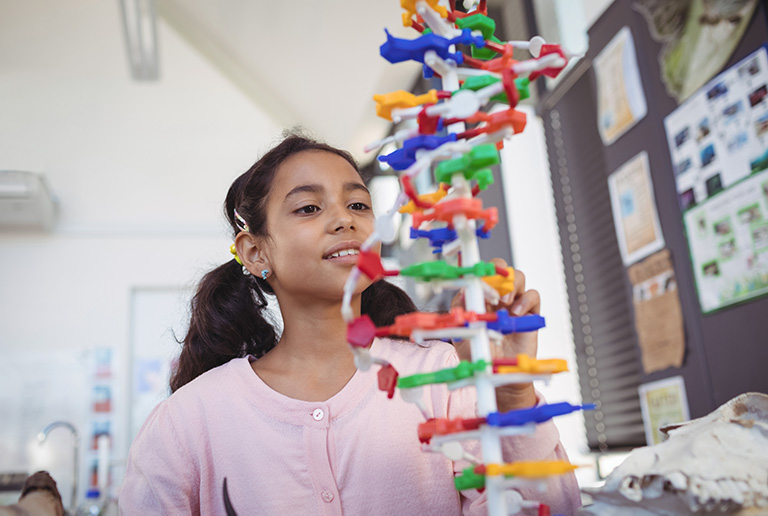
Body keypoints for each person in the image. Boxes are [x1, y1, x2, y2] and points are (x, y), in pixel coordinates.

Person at [119, 132, 582, 515]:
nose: (344, 220)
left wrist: (512, 393)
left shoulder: (441, 377)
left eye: (359, 206)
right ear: (256, 252)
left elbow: (548, 510)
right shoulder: (187, 422)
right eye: (308, 208)